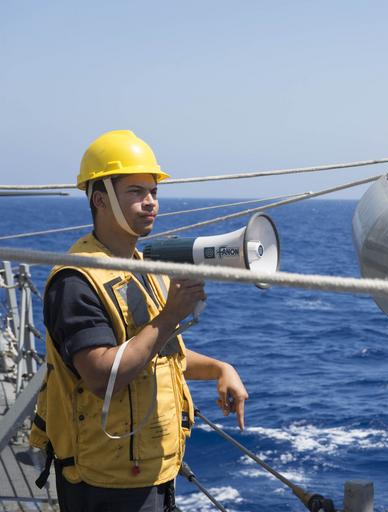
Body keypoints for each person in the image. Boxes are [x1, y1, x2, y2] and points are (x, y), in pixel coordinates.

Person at [30, 130, 249, 512]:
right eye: (136, 191)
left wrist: (219, 368)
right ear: (100, 199)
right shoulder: (75, 280)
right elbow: (102, 377)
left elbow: (159, 353)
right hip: (105, 481)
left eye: (153, 192)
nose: (150, 202)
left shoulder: (143, 269)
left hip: (153, 471)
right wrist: (171, 315)